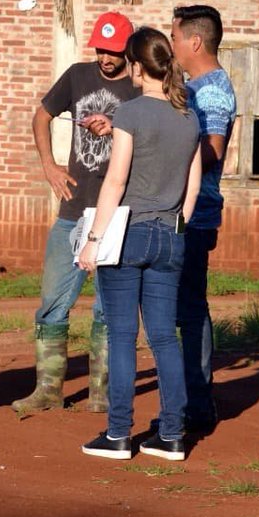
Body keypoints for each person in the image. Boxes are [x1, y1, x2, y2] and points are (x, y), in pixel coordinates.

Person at [77, 27, 201, 462]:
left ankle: (117, 435)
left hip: (128, 234)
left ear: (136, 65)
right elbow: (192, 185)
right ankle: (171, 435)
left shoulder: (129, 113)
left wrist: (93, 241)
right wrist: (178, 223)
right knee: (165, 337)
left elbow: (116, 181)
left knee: (122, 335)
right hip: (171, 235)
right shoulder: (188, 116)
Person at [12, 11, 139, 415]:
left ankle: (102, 395)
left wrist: (116, 124)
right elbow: (41, 116)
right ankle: (48, 391)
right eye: (100, 49)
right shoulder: (77, 75)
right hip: (72, 209)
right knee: (52, 301)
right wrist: (49, 165)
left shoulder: (139, 86)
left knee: (108, 307)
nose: (105, 58)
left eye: (113, 51)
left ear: (128, 50)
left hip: (116, 215)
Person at [170, 4, 237, 432]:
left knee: (190, 308)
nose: (172, 45)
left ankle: (197, 404)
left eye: (175, 37)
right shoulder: (196, 85)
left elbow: (212, 149)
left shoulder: (211, 89)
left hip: (194, 215)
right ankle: (191, 399)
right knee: (183, 307)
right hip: (186, 210)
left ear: (194, 42)